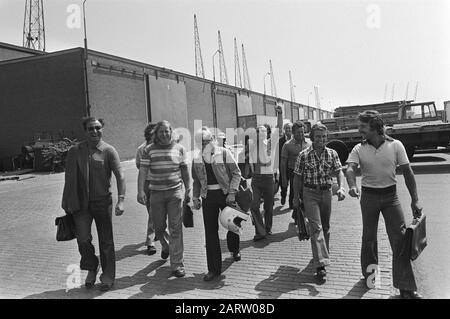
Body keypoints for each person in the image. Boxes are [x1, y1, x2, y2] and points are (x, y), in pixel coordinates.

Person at [345, 110, 423, 299]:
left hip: (391, 197)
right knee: (369, 238)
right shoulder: (358, 148)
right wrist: (352, 185)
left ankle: (406, 288)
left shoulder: (395, 145)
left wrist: (415, 199)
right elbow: (350, 168)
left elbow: (408, 172)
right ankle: (371, 278)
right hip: (369, 198)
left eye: (363, 126)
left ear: (374, 127)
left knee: (400, 240)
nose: (359, 130)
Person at [62, 116, 126, 291]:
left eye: (98, 128)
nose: (95, 131)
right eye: (91, 128)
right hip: (80, 204)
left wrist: (121, 200)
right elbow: (69, 178)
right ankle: (92, 266)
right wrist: (66, 201)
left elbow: (120, 175)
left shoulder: (108, 150)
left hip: (102, 203)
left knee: (106, 241)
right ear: (85, 131)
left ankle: (107, 277)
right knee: (83, 239)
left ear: (102, 129)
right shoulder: (75, 151)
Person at [137, 120, 191, 278]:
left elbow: (185, 171)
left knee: (176, 228)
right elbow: (143, 171)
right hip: (156, 194)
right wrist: (140, 191)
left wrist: (189, 189)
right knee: (159, 228)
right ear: (156, 134)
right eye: (161, 131)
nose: (165, 134)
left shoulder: (179, 149)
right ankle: (165, 245)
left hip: (175, 193)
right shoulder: (149, 150)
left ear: (171, 132)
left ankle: (177, 264)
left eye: (167, 131)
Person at [293, 123, 345, 281]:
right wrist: (296, 197)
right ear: (312, 138)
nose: (321, 140)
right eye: (318, 137)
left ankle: (322, 255)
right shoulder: (303, 155)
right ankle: (321, 265)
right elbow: (297, 177)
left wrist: (341, 188)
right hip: (310, 193)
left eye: (323, 137)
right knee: (316, 227)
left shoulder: (332, 153)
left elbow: (338, 171)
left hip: (326, 192)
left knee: (326, 227)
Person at [192, 127, 243, 281]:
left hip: (226, 194)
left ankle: (234, 249)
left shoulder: (224, 153)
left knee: (232, 225)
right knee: (210, 232)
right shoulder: (196, 159)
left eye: (207, 141)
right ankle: (213, 269)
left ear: (212, 140)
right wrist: (195, 198)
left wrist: (232, 192)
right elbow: (196, 181)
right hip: (208, 197)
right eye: (201, 142)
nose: (205, 144)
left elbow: (236, 173)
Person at [135, 123, 169, 256]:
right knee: (153, 213)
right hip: (148, 184)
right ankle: (156, 240)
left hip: (162, 183)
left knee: (157, 214)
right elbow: (139, 165)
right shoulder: (141, 149)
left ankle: (154, 238)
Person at [249, 125, 276, 241]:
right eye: (258, 131)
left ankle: (268, 227)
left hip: (268, 178)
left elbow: (279, 130)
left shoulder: (270, 144)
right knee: (254, 205)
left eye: (263, 131)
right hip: (256, 178)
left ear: (267, 133)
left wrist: (279, 115)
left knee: (269, 206)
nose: (260, 133)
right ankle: (260, 231)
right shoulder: (252, 145)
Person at [281, 121, 310, 223]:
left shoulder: (309, 143)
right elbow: (283, 162)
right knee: (296, 194)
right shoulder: (287, 145)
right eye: (298, 132)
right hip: (293, 173)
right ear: (293, 133)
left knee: (306, 195)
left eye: (302, 132)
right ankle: (299, 216)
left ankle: (299, 215)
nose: (301, 134)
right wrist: (283, 178)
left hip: (307, 174)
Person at [279, 122, 293, 205]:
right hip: (283, 166)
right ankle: (283, 196)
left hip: (293, 166)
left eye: (290, 128)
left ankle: (291, 202)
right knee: (283, 184)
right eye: (286, 128)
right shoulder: (280, 141)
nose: (288, 129)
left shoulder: (296, 140)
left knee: (293, 186)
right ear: (284, 130)